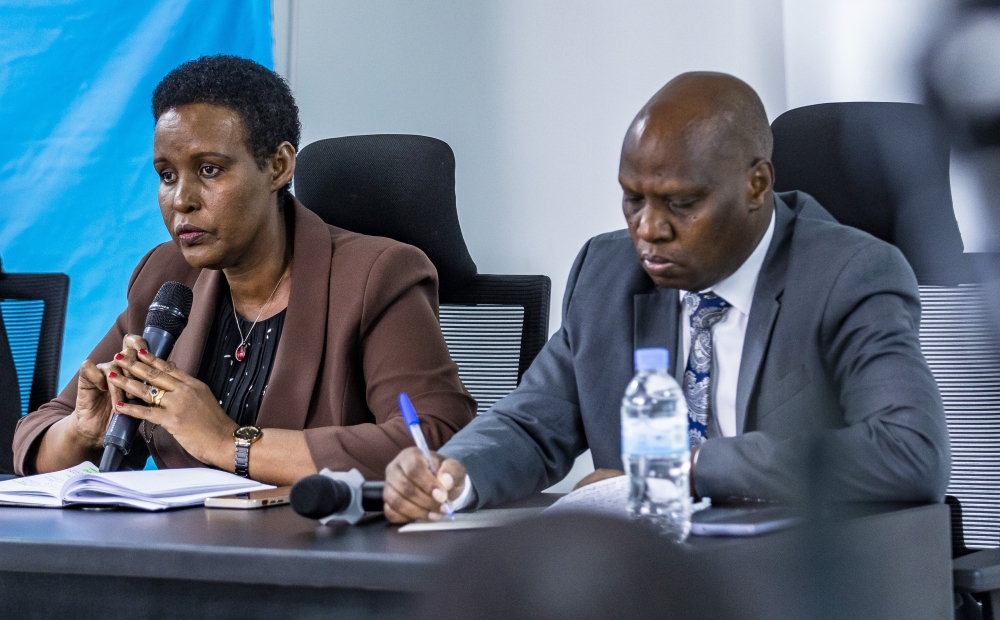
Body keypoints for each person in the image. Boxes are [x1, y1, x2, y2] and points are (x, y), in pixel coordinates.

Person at [383, 72, 951, 522]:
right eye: (633, 199)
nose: (648, 229)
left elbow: (908, 451)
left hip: (798, 578)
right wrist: (454, 471)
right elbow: (534, 423)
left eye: (681, 203)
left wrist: (681, 471)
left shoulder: (848, 274)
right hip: (647, 580)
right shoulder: (607, 272)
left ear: (757, 185)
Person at [12, 56, 476, 485]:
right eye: (167, 174)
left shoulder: (378, 275)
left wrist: (227, 442)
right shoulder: (166, 276)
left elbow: (436, 439)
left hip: (320, 551)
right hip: (183, 551)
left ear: (278, 166)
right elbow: (33, 435)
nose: (181, 200)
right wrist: (82, 430)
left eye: (210, 170)